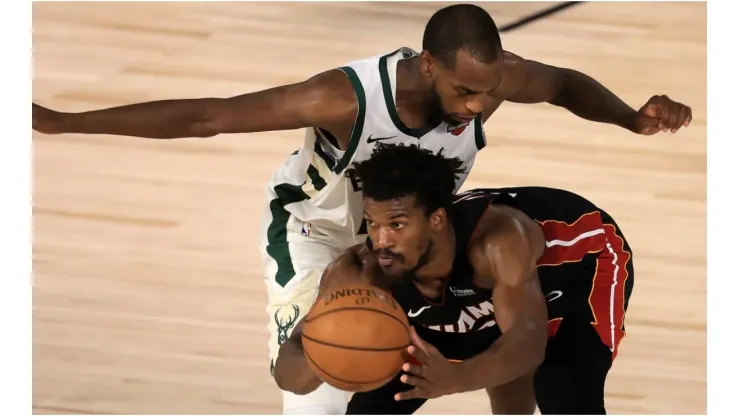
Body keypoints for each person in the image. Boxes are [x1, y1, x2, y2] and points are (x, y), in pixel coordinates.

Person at [33, 4, 666, 414]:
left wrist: (631, 119)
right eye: (464, 91)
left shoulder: (491, 82)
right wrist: (63, 122)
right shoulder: (342, 98)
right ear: (427, 66)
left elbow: (561, 85)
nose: (477, 107)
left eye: (487, 91)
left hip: (400, 240)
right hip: (315, 232)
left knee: (495, 359)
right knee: (322, 397)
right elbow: (208, 116)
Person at [273, 142, 633, 415]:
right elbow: (288, 372)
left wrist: (456, 379)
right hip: (484, 301)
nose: (381, 241)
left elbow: (527, 343)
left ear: (437, 220)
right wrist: (320, 353)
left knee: (561, 389)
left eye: (397, 225)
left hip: (578, 271)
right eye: (373, 223)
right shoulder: (362, 272)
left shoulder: (497, 243)